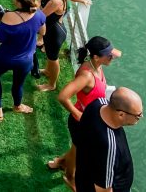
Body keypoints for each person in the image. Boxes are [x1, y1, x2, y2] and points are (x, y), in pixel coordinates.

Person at [48, 35, 123, 187]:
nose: (112, 57)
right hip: (80, 122)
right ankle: (70, 177)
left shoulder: (97, 66)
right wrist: (80, 116)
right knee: (80, 152)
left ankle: (61, 162)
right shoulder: (86, 75)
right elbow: (63, 96)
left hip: (88, 120)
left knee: (77, 147)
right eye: (109, 55)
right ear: (96, 57)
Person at [0, 0, 46, 121]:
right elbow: (43, 32)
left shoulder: (8, 17)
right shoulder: (39, 14)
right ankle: (17, 106)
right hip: (26, 60)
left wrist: (1, 21)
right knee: (18, 84)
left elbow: (0, 40)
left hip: (6, 57)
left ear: (18, 2)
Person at [75, 87, 142, 192]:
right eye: (138, 116)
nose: (140, 117)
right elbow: (103, 189)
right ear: (121, 114)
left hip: (83, 173)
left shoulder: (97, 104)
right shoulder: (109, 146)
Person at [36, 0, 69, 92]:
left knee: (53, 59)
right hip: (50, 31)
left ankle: (52, 84)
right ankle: (47, 71)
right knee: (49, 56)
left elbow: (40, 15)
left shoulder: (56, 0)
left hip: (55, 34)